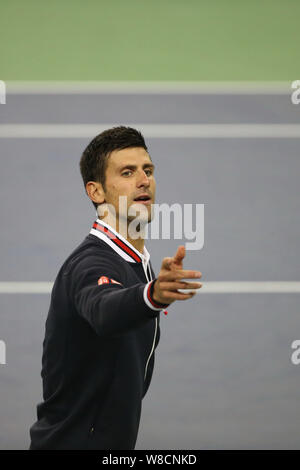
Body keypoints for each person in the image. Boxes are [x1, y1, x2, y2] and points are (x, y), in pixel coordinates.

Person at [29, 126, 202, 450]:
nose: (143, 180)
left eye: (147, 170)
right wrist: (151, 295)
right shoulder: (90, 265)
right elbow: (104, 309)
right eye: (127, 172)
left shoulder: (136, 261)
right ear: (96, 192)